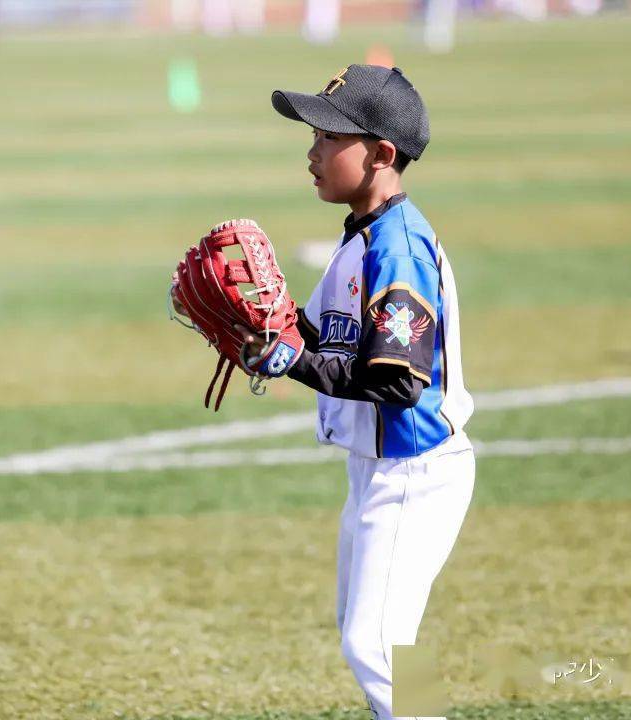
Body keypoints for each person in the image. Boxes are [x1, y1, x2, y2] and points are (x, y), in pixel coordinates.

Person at [263, 65, 476, 719]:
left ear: (382, 154)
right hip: (378, 470)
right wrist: (277, 323)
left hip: (414, 472)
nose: (313, 152)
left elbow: (396, 379)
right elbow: (340, 344)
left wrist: (286, 358)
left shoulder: (399, 250)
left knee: (372, 644)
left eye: (330, 136)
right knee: (376, 636)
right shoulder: (365, 232)